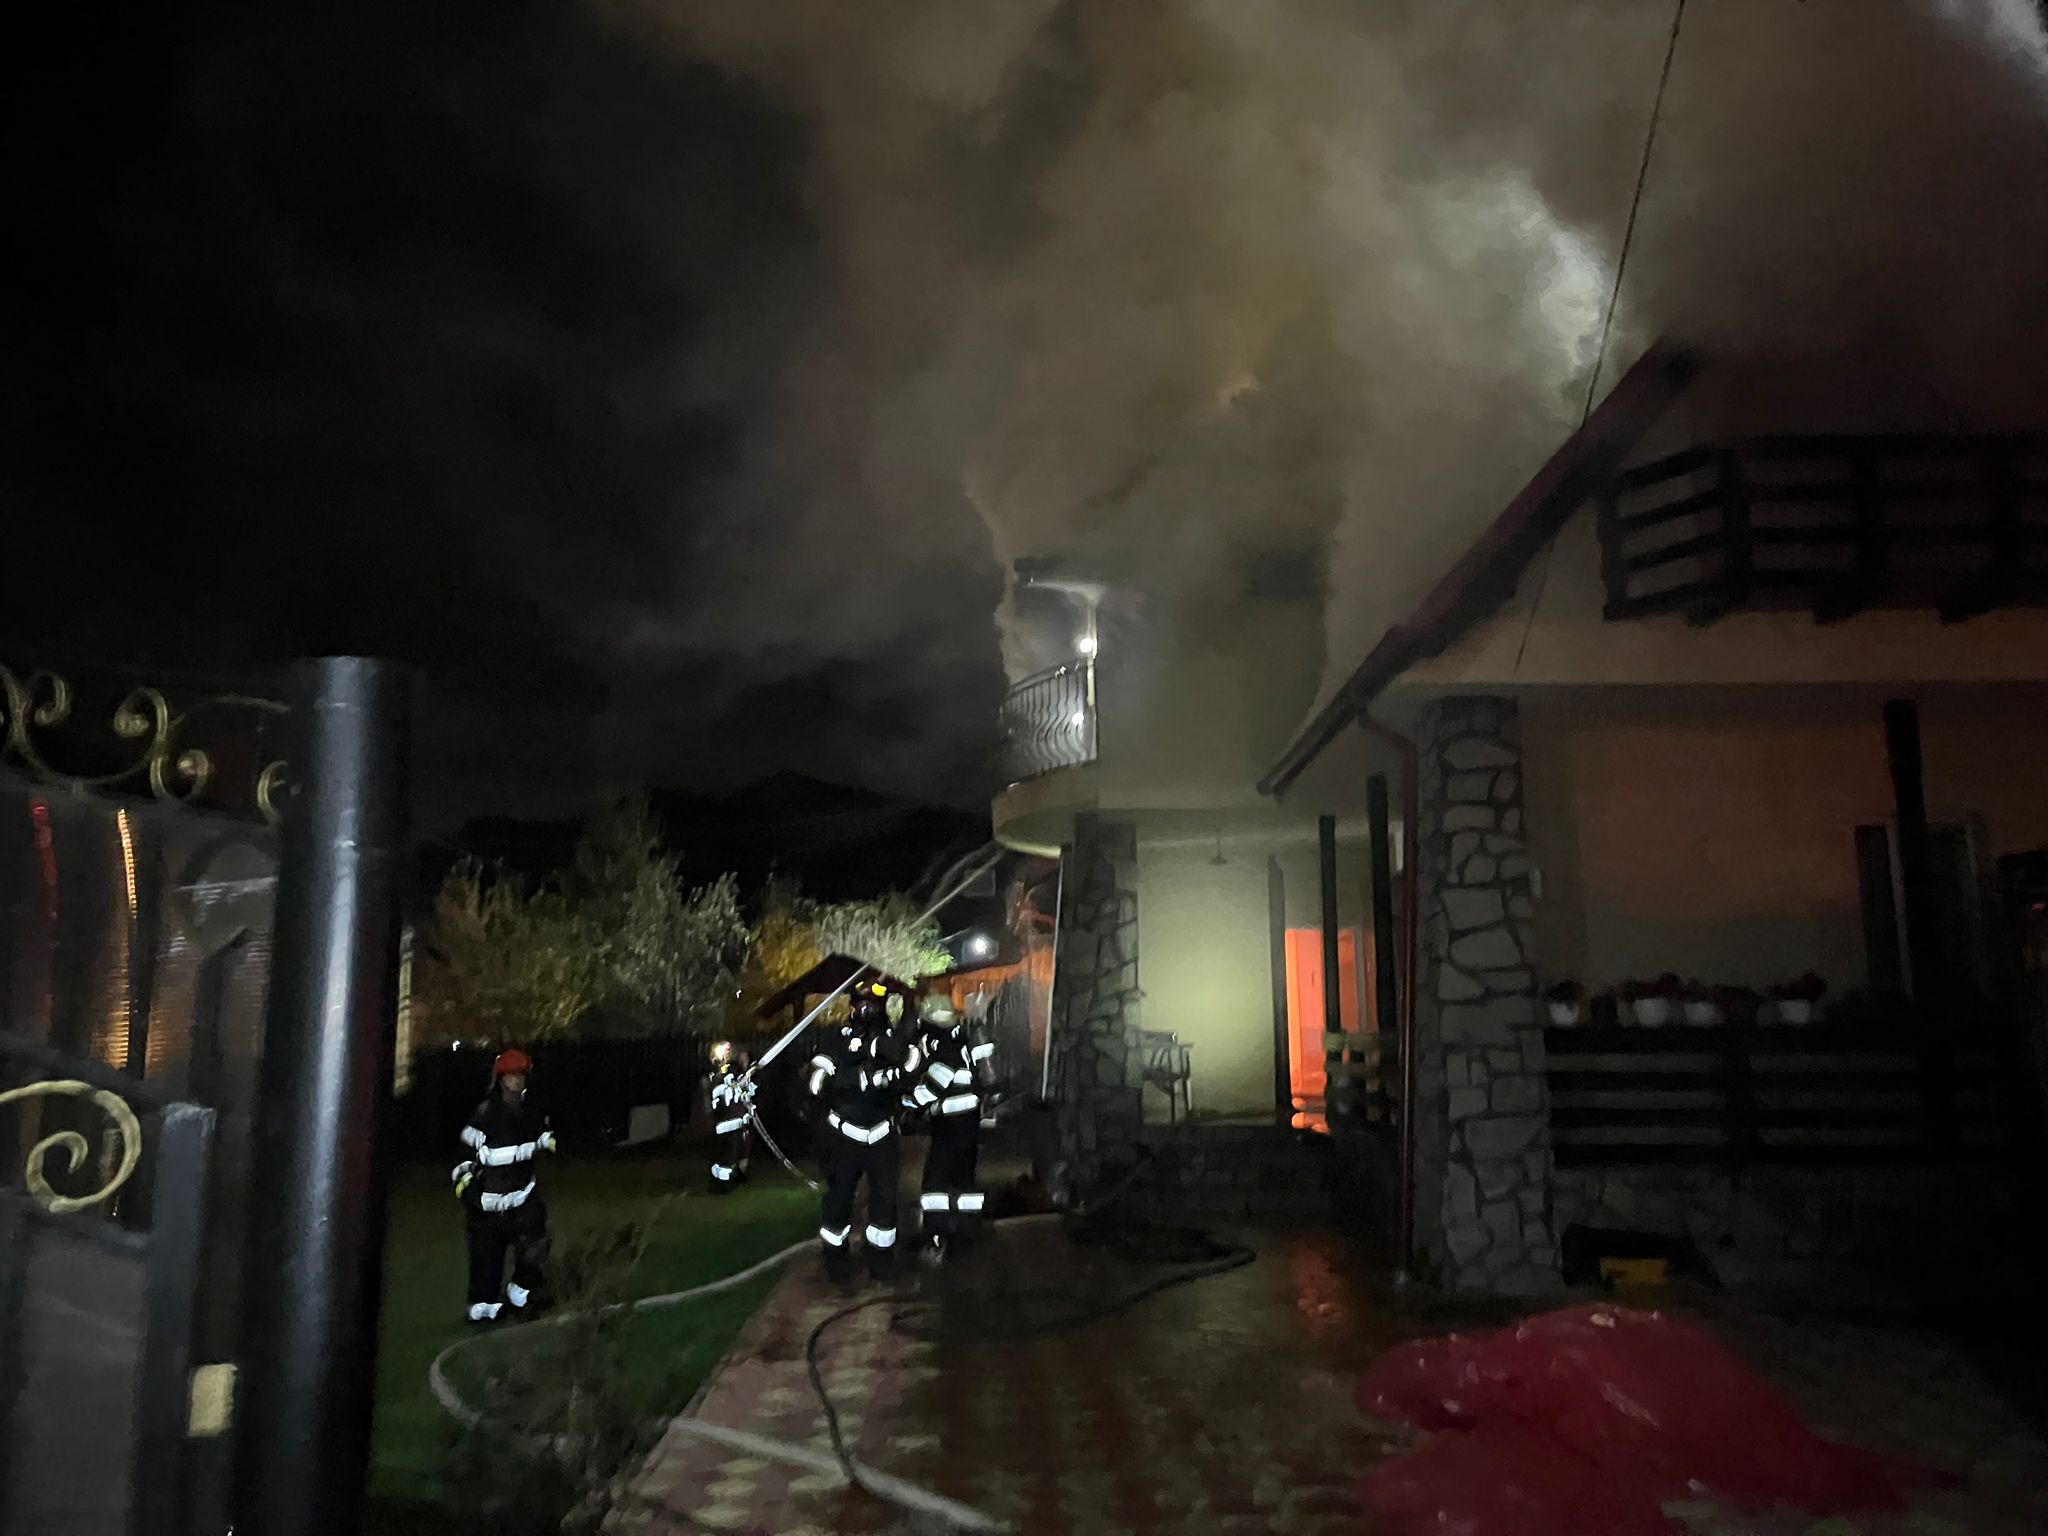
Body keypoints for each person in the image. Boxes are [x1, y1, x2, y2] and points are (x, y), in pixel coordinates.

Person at [808, 981, 922, 1286]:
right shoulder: (836, 1039)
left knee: (885, 1203)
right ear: (851, 1006)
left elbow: (913, 1068)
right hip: (844, 1135)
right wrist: (857, 1078)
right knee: (838, 1200)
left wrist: (892, 1054)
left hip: (882, 1135)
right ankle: (835, 1258)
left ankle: (880, 1259)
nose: (865, 1009)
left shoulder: (891, 1039)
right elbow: (816, 1084)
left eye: (872, 1004)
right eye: (860, 1003)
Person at [452, 1047, 557, 1323]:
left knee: (536, 1247)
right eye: (512, 1076)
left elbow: (543, 1136)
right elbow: (463, 1158)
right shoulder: (484, 1116)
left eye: (521, 1076)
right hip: (487, 1207)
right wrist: (469, 1191)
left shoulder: (533, 1110)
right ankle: (484, 1308)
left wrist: (553, 1142)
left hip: (523, 1199)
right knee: (486, 1263)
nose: (517, 1081)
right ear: (501, 1080)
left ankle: (520, 1294)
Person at [908, 992, 996, 1260]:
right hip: (968, 1124)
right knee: (965, 1181)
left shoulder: (945, 1047)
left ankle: (936, 1238)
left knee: (935, 1184)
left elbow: (933, 1087)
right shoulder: (962, 1039)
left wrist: (908, 1103)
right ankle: (969, 1234)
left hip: (950, 1127)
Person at [707, 1041, 756, 1192]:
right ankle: (722, 1185)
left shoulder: (733, 1072)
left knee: (734, 1153)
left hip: (734, 1121)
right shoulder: (720, 1074)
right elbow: (723, 1091)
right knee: (726, 1156)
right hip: (725, 1122)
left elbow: (745, 1092)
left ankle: (731, 1179)